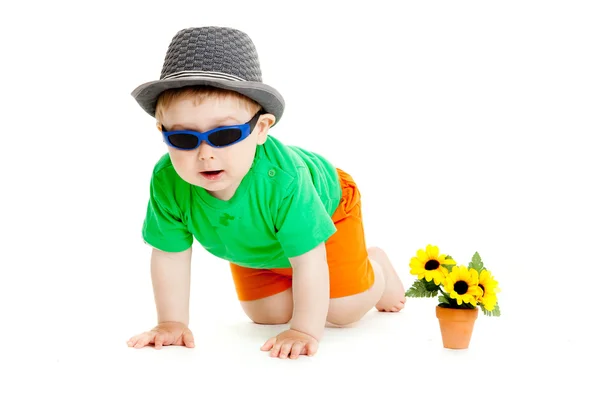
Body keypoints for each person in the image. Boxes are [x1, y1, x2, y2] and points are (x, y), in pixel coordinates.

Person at [126, 26, 406, 359]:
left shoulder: (284, 180)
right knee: (266, 315)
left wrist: (303, 329)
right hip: (256, 240)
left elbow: (310, 258)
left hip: (328, 209)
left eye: (225, 135)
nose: (205, 154)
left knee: (341, 311)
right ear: (163, 133)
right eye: (184, 139)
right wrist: (171, 322)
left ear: (260, 129)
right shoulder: (168, 180)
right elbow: (170, 254)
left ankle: (377, 269)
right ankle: (292, 274)